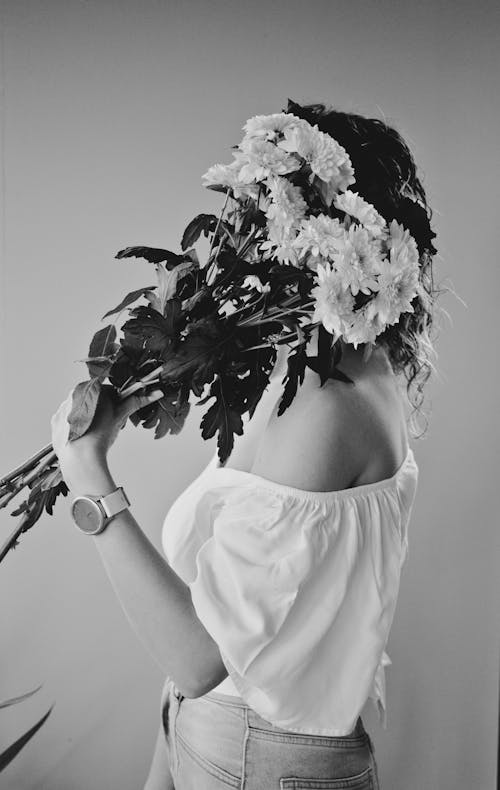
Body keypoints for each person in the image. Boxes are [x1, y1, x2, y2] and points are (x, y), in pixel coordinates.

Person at [50, 102, 438, 790]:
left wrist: (91, 485)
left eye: (265, 211)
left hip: (260, 755)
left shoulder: (329, 407)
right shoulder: (321, 365)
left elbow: (202, 659)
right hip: (225, 738)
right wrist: (167, 747)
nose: (242, 235)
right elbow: (234, 619)